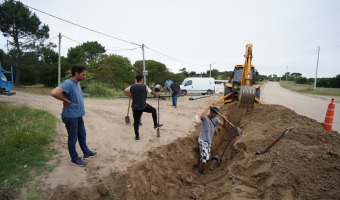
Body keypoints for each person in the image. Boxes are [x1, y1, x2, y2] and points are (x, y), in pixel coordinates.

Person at [51, 64, 96, 167]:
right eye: (83, 74)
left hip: (78, 115)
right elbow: (54, 93)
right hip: (70, 116)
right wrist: (66, 101)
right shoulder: (68, 83)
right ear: (77, 73)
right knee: (73, 138)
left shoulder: (77, 83)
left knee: (82, 134)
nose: (84, 77)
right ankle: (74, 159)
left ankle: (86, 152)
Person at [124, 75, 163, 141]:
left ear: (136, 80)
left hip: (135, 107)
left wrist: (131, 96)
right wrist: (157, 94)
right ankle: (155, 125)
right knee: (153, 110)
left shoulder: (131, 86)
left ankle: (137, 137)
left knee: (136, 122)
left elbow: (125, 91)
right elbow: (151, 92)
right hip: (143, 106)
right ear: (142, 80)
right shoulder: (144, 86)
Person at [197, 106, 227, 175]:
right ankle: (199, 171)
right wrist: (208, 107)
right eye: (214, 114)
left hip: (209, 141)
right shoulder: (205, 118)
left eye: (216, 114)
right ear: (211, 112)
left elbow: (224, 127)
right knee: (204, 158)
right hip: (203, 140)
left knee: (207, 158)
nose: (215, 116)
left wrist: (225, 120)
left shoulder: (215, 119)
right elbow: (201, 117)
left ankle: (202, 169)